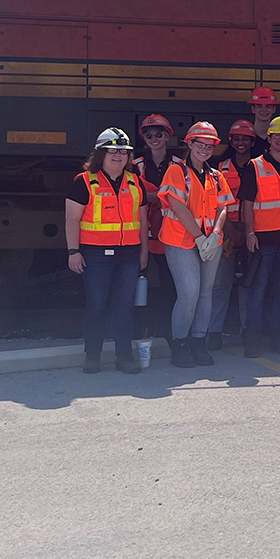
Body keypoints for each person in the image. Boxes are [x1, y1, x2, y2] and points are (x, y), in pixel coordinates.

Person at [65, 128, 148, 374]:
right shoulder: (84, 181)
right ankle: (93, 356)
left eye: (123, 152)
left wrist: (144, 252)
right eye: (112, 151)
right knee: (96, 305)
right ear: (100, 154)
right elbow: (71, 219)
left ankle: (125, 356)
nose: (118, 156)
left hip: (129, 255)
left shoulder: (135, 182)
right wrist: (73, 251)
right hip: (95, 255)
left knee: (124, 306)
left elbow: (143, 221)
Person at [158, 122, 234, 368]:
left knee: (205, 292)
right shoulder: (176, 171)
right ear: (189, 144)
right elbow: (177, 206)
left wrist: (215, 234)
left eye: (209, 146)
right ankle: (180, 344)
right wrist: (200, 238)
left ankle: (199, 342)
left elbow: (223, 207)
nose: (204, 149)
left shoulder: (216, 176)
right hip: (181, 240)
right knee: (189, 292)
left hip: (211, 241)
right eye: (200, 144)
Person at [239, 115, 280, 357]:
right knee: (258, 290)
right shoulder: (255, 166)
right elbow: (247, 202)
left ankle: (278, 335)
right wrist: (250, 232)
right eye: (277, 136)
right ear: (269, 138)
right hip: (262, 239)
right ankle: (252, 336)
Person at [209, 119, 256, 349]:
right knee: (221, 284)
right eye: (237, 139)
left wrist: (247, 232)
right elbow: (217, 203)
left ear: (252, 141)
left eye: (245, 138)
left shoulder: (259, 166)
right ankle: (213, 332)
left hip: (250, 233)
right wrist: (231, 231)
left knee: (249, 284)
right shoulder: (220, 168)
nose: (241, 142)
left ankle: (248, 331)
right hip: (227, 233)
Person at [133, 113, 181, 294]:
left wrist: (150, 196)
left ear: (167, 136)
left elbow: (184, 196)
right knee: (137, 275)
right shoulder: (135, 165)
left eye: (158, 135)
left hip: (170, 230)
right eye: (149, 136)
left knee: (168, 278)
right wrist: (162, 197)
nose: (154, 139)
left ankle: (165, 310)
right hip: (141, 229)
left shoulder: (180, 165)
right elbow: (130, 196)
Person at [246, 86, 279, 156]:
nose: (264, 110)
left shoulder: (279, 139)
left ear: (274, 109)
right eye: (259, 106)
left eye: (268, 106)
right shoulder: (245, 137)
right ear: (253, 109)